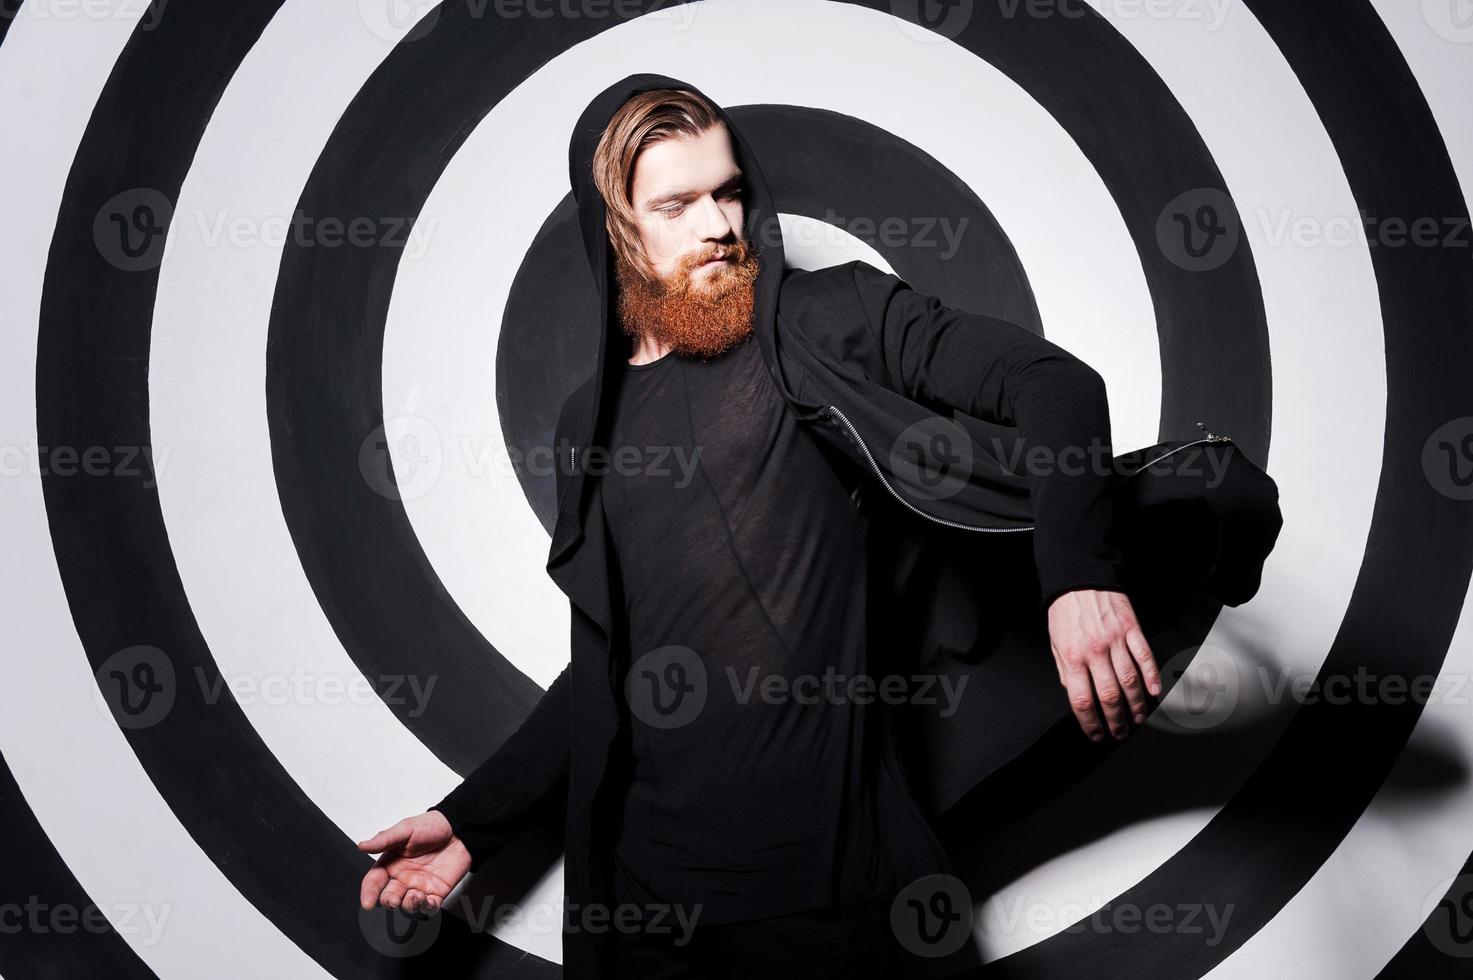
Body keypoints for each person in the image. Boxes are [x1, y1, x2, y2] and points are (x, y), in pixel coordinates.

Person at [357, 74, 1280, 979]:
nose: (718, 226)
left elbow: (1055, 387)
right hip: (641, 906)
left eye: (727, 193)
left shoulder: (830, 315)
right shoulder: (584, 424)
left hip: (829, 893)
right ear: (618, 229)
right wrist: (473, 822)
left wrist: (1078, 573)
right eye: (676, 205)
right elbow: (611, 664)